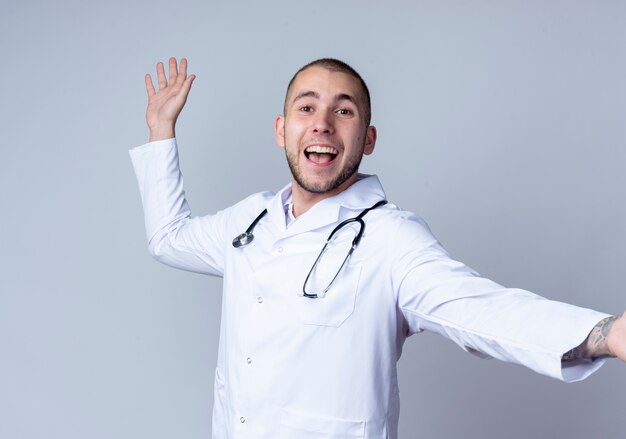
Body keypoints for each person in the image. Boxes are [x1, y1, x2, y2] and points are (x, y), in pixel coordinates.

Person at [130, 57, 626, 438]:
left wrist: (604, 334)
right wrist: (160, 131)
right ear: (283, 130)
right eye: (306, 107)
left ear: (367, 139)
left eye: (342, 111)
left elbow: (478, 312)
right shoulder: (249, 220)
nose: (322, 122)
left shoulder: (391, 238)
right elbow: (169, 238)